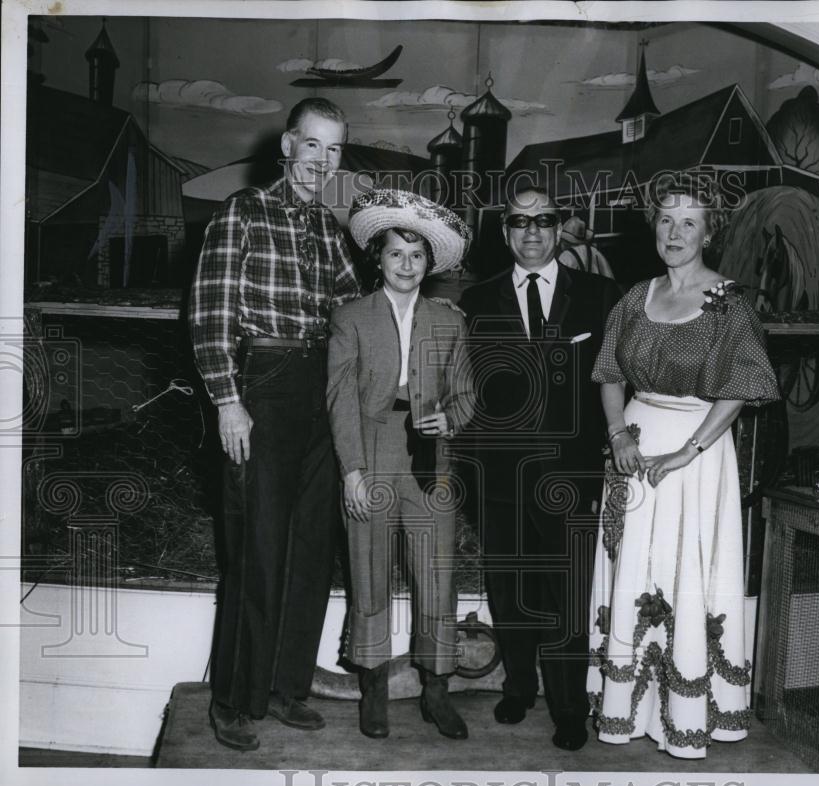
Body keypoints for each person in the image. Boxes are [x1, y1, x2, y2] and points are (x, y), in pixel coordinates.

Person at [587, 172, 781, 758]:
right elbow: (609, 373)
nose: (674, 232)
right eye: (666, 219)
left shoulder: (728, 302)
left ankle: (689, 713)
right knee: (636, 573)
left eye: (688, 222)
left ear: (708, 233)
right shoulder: (635, 296)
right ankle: (628, 709)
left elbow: (742, 388)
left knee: (685, 573)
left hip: (695, 456)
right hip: (634, 452)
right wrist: (619, 433)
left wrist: (688, 450)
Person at [189, 97, 361, 751]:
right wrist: (228, 400)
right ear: (288, 146)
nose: (323, 160)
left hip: (320, 392)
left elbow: (353, 310)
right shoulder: (242, 213)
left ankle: (286, 686)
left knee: (310, 548)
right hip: (261, 387)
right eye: (313, 145)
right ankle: (234, 696)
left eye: (335, 149)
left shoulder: (328, 227)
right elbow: (210, 312)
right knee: (256, 549)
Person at [459, 186, 621, 751]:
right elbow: (465, 391)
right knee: (509, 586)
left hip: (570, 477)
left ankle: (570, 707)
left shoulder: (601, 296)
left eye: (544, 220)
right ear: (504, 232)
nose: (532, 231)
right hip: (497, 474)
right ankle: (520, 686)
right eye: (520, 222)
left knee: (566, 593)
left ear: (559, 228)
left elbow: (617, 380)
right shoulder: (476, 301)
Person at [327, 189, 476, 741]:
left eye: (416, 256)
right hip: (371, 450)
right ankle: (373, 687)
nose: (406, 265)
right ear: (378, 258)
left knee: (436, 574)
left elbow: (466, 393)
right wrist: (352, 472)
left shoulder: (448, 321)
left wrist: (451, 421)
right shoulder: (350, 318)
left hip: (431, 461)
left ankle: (436, 689)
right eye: (395, 254)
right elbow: (338, 398)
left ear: (429, 263)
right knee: (369, 571)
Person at [557, 215, 615, 280]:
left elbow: (559, 283)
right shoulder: (596, 253)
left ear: (564, 242)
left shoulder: (566, 256)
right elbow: (610, 278)